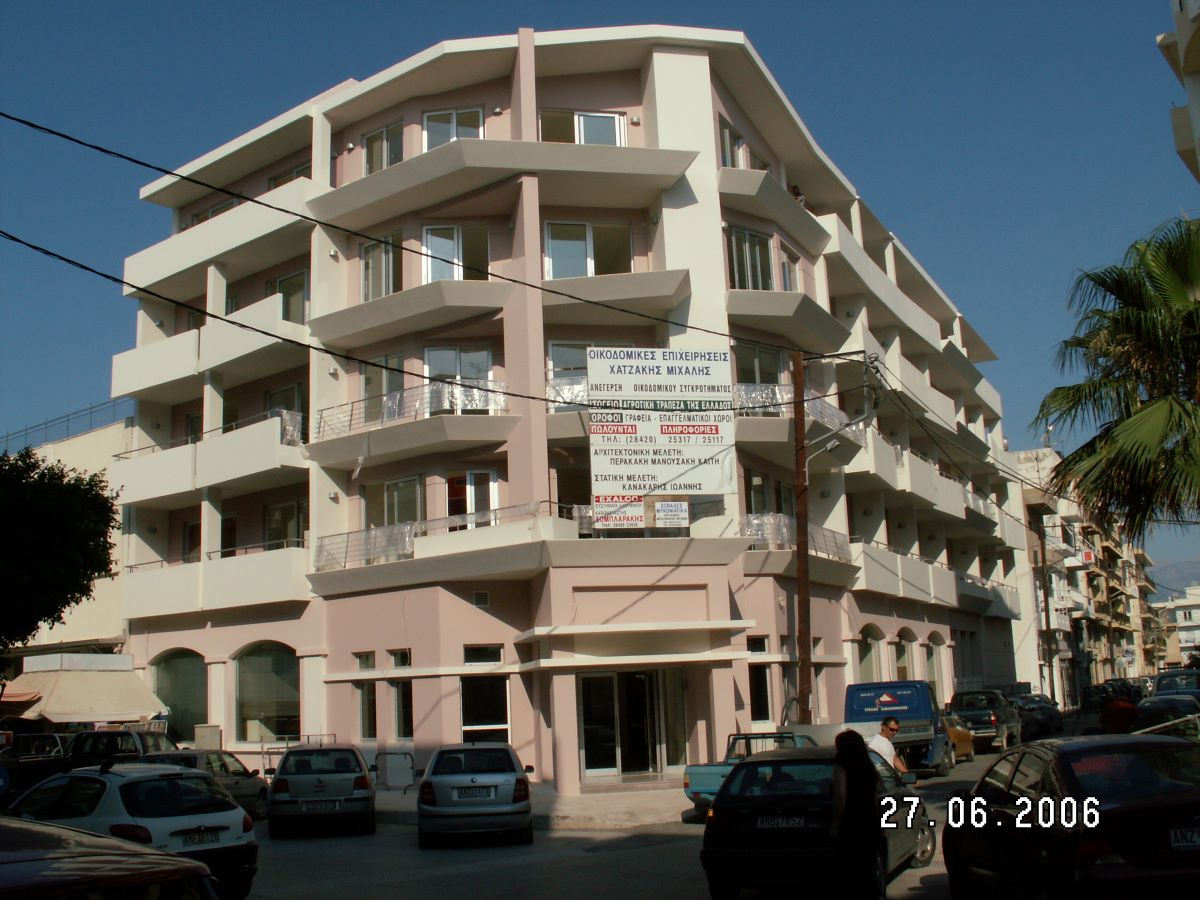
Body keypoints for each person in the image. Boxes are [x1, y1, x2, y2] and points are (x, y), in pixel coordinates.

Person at [831, 729, 884, 897]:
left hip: (850, 824)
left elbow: (841, 796)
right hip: (869, 822)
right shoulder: (868, 767)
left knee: (850, 870)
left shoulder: (841, 768)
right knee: (867, 868)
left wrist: (836, 824)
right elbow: (877, 792)